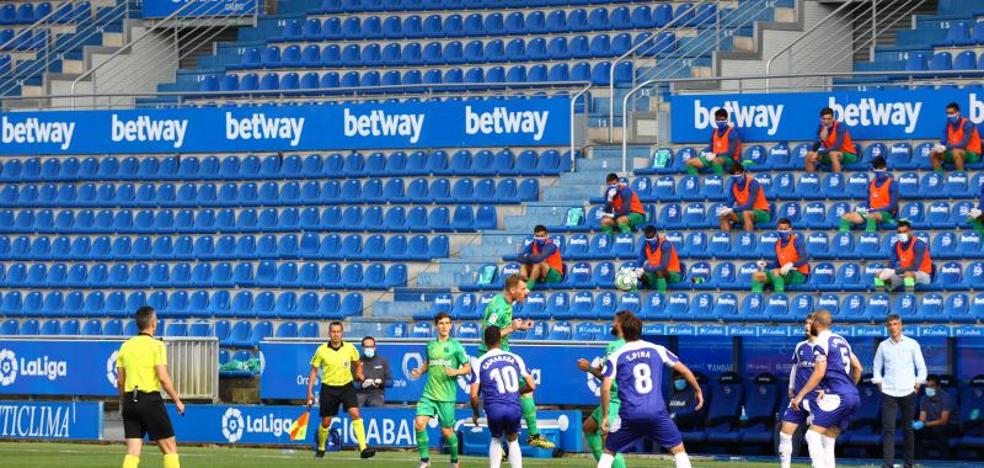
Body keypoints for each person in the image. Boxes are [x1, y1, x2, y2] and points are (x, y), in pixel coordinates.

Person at [598, 311, 704, 468]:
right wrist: (698, 391)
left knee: (608, 452)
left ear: (624, 332)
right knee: (679, 450)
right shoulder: (657, 349)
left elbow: (606, 388)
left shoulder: (616, 355)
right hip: (656, 413)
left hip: (630, 415)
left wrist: (606, 416)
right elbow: (685, 371)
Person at [479, 274, 554, 449]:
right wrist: (511, 327)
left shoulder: (506, 304)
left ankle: (504, 446)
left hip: (500, 353)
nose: (526, 292)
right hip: (492, 355)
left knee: (503, 399)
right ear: (512, 290)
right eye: (522, 289)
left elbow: (499, 330)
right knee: (523, 392)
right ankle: (532, 436)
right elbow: (487, 335)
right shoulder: (498, 307)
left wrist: (516, 327)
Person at [790, 310, 863, 468]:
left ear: (816, 323)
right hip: (853, 395)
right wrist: (850, 388)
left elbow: (819, 372)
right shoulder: (842, 340)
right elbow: (858, 368)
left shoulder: (821, 341)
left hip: (837, 396)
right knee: (828, 439)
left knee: (811, 435)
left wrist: (799, 396)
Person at [116, 306, 185, 468]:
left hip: (129, 401)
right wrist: (177, 400)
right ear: (153, 323)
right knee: (170, 448)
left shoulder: (125, 346)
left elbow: (120, 381)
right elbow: (163, 378)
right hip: (150, 400)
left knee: (133, 451)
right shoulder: (157, 346)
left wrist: (124, 401)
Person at [306, 321, 375, 459]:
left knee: (355, 413)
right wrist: (309, 391)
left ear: (342, 333)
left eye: (338, 331)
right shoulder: (321, 350)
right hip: (328, 388)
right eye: (333, 331)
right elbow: (314, 371)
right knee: (326, 422)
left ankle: (363, 449)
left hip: (346, 386)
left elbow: (358, 363)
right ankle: (321, 447)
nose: (336, 334)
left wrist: (359, 373)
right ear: (329, 333)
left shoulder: (350, 348)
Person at [410, 312, 471, 468]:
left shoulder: (456, 346)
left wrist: (456, 372)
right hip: (429, 394)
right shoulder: (430, 345)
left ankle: (455, 460)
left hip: (447, 396)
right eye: (441, 323)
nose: (444, 326)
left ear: (451, 326)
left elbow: (468, 368)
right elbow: (428, 362)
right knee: (419, 424)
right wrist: (420, 371)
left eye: (447, 323)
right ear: (436, 326)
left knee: (446, 432)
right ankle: (425, 460)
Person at [470, 325, 536, 468]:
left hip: (494, 408)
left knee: (496, 439)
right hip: (513, 407)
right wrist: (516, 392)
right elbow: (532, 385)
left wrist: (476, 414)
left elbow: (474, 395)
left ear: (484, 341)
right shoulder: (515, 357)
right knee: (513, 441)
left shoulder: (479, 362)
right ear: (500, 338)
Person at [872, 314, 927, 468]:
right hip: (889, 392)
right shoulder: (883, 345)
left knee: (908, 429)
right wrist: (879, 383)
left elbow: (921, 368)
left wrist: (917, 384)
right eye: (889, 324)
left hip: (908, 391)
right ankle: (887, 464)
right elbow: (876, 367)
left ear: (901, 325)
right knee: (888, 429)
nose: (892, 327)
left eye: (895, 324)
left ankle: (909, 463)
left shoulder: (912, 344)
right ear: (887, 327)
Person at [576, 311, 629, 468]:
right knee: (588, 427)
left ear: (621, 325)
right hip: (620, 397)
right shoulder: (630, 345)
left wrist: (589, 368)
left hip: (614, 399)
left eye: (615, 321)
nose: (613, 324)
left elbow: (607, 379)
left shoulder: (613, 346)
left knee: (609, 445)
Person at [778, 313, 818, 468]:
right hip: (798, 399)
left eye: (810, 323)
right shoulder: (800, 346)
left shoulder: (825, 347)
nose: (806, 326)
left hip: (817, 399)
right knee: (784, 433)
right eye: (805, 323)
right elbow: (795, 367)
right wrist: (791, 387)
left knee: (815, 437)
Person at [839, 156, 898, 233]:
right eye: (875, 167)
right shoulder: (871, 184)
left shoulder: (892, 183)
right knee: (846, 217)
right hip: (871, 211)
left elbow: (893, 206)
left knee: (871, 216)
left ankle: (869, 239)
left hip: (886, 213)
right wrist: (868, 210)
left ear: (885, 168)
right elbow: (868, 202)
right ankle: (844, 240)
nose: (877, 170)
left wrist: (876, 210)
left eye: (879, 167)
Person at [752, 218, 810, 293]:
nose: (783, 231)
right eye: (781, 229)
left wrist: (791, 264)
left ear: (790, 229)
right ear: (777, 229)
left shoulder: (797, 241)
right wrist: (766, 264)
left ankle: (779, 296)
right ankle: (757, 298)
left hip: (799, 273)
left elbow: (804, 258)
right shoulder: (777, 244)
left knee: (776, 272)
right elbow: (776, 264)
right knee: (757, 275)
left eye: (785, 229)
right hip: (783, 272)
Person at [874, 221, 933, 293]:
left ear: (910, 231)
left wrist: (894, 271)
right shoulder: (896, 245)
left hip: (922, 274)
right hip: (903, 273)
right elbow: (891, 263)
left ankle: (909, 298)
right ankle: (881, 298)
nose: (902, 234)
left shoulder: (919, 244)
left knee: (908, 274)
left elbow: (915, 267)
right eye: (900, 232)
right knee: (879, 275)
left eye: (905, 231)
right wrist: (886, 271)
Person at [685, 108, 742, 176]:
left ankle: (720, 182)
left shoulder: (732, 133)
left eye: (722, 119)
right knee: (689, 162)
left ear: (727, 120)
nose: (720, 121)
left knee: (715, 160)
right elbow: (711, 147)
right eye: (718, 119)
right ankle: (696, 183)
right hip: (714, 157)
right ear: (715, 120)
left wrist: (716, 155)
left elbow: (730, 152)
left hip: (730, 160)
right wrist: (704, 153)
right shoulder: (714, 132)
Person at [718, 163, 770, 232]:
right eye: (734, 174)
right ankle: (726, 239)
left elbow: (749, 205)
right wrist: (725, 209)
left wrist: (732, 209)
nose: (736, 176)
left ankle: (748, 238)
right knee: (724, 215)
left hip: (761, 212)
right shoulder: (733, 184)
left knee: (746, 213)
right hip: (743, 212)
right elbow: (730, 201)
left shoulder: (752, 183)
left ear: (743, 173)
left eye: (738, 173)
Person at [930, 102, 981, 172]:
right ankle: (940, 177)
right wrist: (939, 147)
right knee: (933, 153)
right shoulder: (948, 124)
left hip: (972, 154)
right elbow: (943, 141)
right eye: (947, 113)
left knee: (956, 152)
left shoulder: (968, 124)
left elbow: (963, 145)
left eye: (951, 113)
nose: (949, 116)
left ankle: (959, 177)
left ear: (958, 113)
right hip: (954, 152)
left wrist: (946, 147)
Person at [805, 107, 858, 173]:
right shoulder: (820, 128)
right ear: (820, 119)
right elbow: (814, 148)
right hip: (830, 154)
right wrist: (821, 139)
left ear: (833, 119)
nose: (826, 121)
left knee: (833, 154)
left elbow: (837, 147)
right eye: (824, 119)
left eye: (828, 119)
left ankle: (836, 179)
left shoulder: (840, 126)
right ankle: (811, 179)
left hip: (848, 155)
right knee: (809, 155)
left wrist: (819, 153)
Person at [915, 374, 954, 460]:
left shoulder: (946, 398)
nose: (928, 389)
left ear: (938, 387)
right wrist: (917, 424)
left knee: (939, 430)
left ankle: (945, 461)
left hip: (949, 426)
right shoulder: (923, 399)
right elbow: (922, 419)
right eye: (927, 386)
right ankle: (923, 460)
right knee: (915, 432)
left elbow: (944, 420)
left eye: (932, 386)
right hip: (932, 426)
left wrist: (926, 424)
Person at [517, 225, 564, 291]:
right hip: (540, 274)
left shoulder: (551, 246)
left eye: (542, 236)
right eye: (537, 236)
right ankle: (523, 285)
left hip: (554, 275)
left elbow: (538, 259)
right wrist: (529, 258)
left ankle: (527, 290)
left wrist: (529, 257)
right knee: (524, 265)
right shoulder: (533, 244)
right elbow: (519, 257)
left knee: (538, 263)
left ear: (546, 235)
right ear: (534, 236)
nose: (540, 238)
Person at [636, 225, 682, 293]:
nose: (650, 240)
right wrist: (638, 269)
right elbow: (641, 258)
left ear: (656, 234)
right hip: (654, 272)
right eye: (648, 239)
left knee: (659, 271)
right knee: (639, 275)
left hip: (672, 273)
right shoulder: (645, 244)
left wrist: (647, 267)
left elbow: (663, 266)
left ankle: (661, 295)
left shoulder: (665, 244)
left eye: (652, 238)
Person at [355, 336, 392, 408]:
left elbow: (390, 382)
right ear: (362, 348)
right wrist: (361, 385)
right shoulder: (356, 362)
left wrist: (381, 383)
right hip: (360, 393)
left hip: (377, 393)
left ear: (375, 347)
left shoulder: (382, 361)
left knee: (376, 404)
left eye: (371, 346)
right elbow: (349, 384)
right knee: (354, 406)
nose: (369, 349)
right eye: (367, 347)